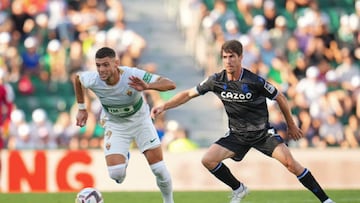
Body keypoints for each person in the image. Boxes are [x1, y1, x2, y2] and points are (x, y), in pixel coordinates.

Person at [151, 40, 335, 203]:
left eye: (232, 56)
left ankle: (326, 200)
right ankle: (239, 188)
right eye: (225, 57)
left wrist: (291, 124)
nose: (228, 61)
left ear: (240, 58)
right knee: (208, 160)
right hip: (237, 135)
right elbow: (188, 94)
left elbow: (280, 97)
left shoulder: (253, 81)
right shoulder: (216, 80)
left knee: (291, 165)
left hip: (262, 134)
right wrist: (164, 106)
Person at [74, 47, 176, 203]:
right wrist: (82, 109)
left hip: (140, 121)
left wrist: (147, 86)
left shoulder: (132, 75)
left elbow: (170, 84)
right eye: (98, 65)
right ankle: (124, 156)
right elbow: (77, 79)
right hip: (115, 124)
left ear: (116, 63)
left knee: (159, 170)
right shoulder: (93, 79)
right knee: (116, 175)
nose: (101, 69)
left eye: (106, 65)